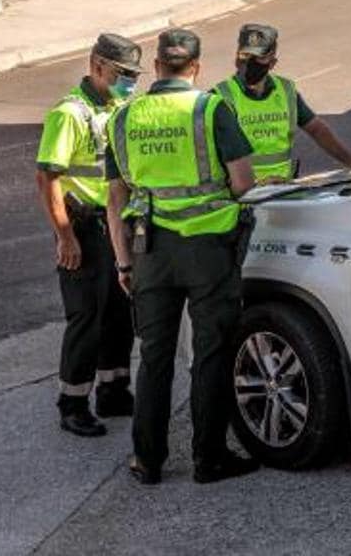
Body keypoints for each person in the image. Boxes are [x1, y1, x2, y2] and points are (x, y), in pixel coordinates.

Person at [104, 28, 259, 485]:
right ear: (195, 67)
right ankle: (208, 458)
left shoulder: (123, 118)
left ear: (155, 67)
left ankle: (146, 460)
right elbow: (244, 183)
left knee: (154, 358)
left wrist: (123, 263)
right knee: (210, 354)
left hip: (148, 249)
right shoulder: (210, 109)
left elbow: (114, 200)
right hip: (209, 251)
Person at [35, 33, 142, 437]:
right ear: (97, 66)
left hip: (115, 223)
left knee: (119, 313)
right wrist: (65, 237)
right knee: (86, 317)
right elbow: (47, 178)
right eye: (121, 74)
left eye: (133, 75)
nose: (128, 82)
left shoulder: (121, 107)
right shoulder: (70, 113)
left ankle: (113, 390)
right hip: (82, 227)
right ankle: (73, 402)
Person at [213, 23, 351, 181]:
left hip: (284, 191)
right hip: (243, 197)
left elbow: (317, 130)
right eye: (245, 56)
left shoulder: (285, 91)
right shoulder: (221, 96)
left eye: (258, 57)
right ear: (236, 57)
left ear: (272, 63)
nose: (249, 63)